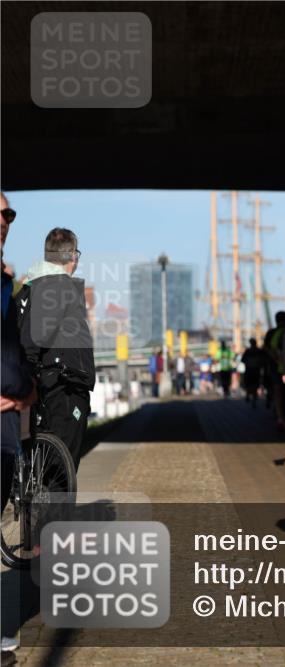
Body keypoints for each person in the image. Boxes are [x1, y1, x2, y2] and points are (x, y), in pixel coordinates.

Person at [17, 227, 95, 469]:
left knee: (44, 464)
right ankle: (55, 508)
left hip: (44, 385)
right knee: (62, 469)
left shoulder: (29, 287)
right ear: (73, 256)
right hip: (64, 387)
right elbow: (35, 339)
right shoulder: (56, 287)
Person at [1, 194, 36, 657]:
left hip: (8, 424)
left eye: (8, 213)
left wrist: (27, 393)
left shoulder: (9, 282)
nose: (4, 220)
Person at [240, 337, 267, 408]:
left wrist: (250, 363)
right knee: (252, 385)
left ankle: (251, 397)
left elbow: (243, 360)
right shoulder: (255, 351)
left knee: (252, 385)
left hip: (252, 371)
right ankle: (250, 396)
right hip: (253, 371)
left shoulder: (251, 351)